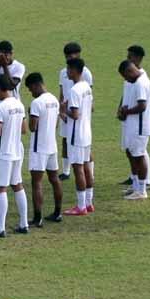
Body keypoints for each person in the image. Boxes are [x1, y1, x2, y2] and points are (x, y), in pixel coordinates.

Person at [0, 75, 30, 236]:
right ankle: (24, 223)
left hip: (3, 152)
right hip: (17, 150)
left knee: (0, 188)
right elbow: (24, 129)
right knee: (17, 185)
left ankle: (0, 228)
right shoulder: (19, 104)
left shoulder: (0, 108)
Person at [26, 73, 63, 225]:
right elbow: (56, 124)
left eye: (30, 89)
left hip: (38, 147)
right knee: (54, 179)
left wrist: (30, 114)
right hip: (51, 146)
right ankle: (58, 213)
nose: (31, 92)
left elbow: (32, 127)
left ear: (35, 85)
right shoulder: (54, 99)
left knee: (37, 183)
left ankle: (37, 217)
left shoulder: (36, 103)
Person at [62, 59, 95, 216]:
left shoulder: (75, 90)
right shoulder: (86, 87)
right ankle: (89, 202)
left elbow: (75, 114)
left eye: (68, 69)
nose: (66, 72)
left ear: (74, 70)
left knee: (78, 168)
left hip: (76, 134)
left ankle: (81, 206)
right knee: (87, 167)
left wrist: (63, 110)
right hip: (87, 132)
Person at [117, 60, 150, 201]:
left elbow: (142, 106)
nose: (126, 80)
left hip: (139, 127)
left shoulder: (140, 83)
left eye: (125, 76)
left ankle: (142, 190)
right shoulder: (136, 81)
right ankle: (136, 184)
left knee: (139, 156)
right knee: (130, 153)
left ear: (129, 71)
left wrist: (127, 112)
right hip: (131, 125)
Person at [57, 42, 92, 180]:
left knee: (82, 153)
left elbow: (89, 96)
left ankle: (89, 174)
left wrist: (67, 111)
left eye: (72, 55)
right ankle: (66, 171)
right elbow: (61, 92)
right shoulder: (63, 73)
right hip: (68, 111)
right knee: (65, 140)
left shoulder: (86, 74)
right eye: (67, 56)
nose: (69, 58)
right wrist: (61, 111)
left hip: (77, 113)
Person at [0, 40, 25, 113]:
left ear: (11, 54)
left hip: (15, 108)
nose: (3, 57)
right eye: (0, 54)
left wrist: (4, 66)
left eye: (6, 54)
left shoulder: (19, 66)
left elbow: (11, 86)